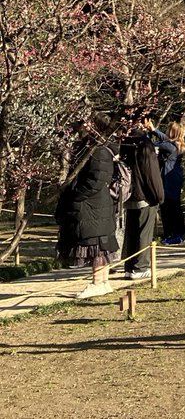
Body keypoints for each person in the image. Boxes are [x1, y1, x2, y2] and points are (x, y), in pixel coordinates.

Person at [55, 111, 121, 299]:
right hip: (93, 205)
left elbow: (97, 179)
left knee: (97, 244)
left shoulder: (99, 150)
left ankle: (98, 282)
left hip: (93, 205)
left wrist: (76, 196)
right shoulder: (92, 147)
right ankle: (103, 281)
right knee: (98, 242)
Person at [120, 114, 166, 280]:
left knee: (131, 231)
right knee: (143, 233)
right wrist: (159, 196)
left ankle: (129, 266)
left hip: (129, 193)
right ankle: (141, 266)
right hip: (145, 195)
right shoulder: (144, 145)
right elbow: (151, 174)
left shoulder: (125, 142)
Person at [160, 121, 185, 244]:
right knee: (175, 207)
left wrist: (151, 131)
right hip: (175, 178)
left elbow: (154, 143)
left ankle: (171, 234)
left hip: (168, 179)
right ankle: (178, 233)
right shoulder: (179, 145)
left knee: (168, 208)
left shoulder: (169, 146)